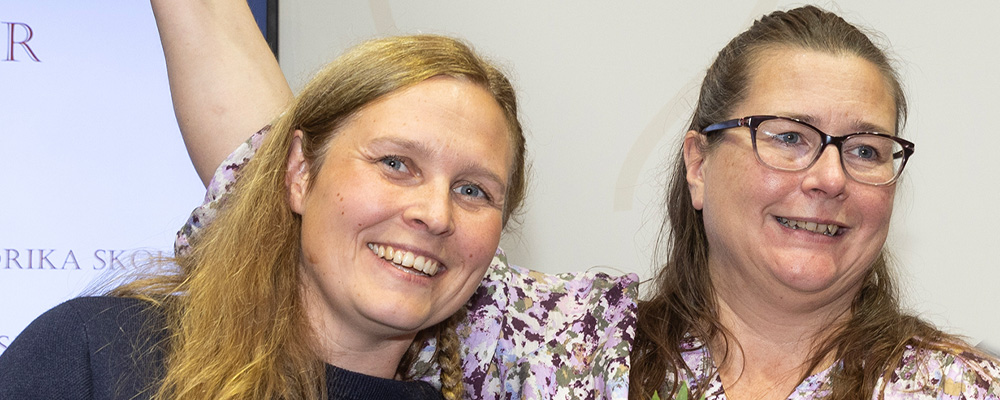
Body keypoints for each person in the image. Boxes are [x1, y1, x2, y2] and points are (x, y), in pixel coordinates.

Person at [0, 1, 636, 399]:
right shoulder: (99, 355)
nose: (435, 213)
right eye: (396, 164)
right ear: (299, 172)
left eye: (473, 190)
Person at [628, 6, 1000, 399]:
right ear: (699, 166)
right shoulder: (593, 353)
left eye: (865, 151)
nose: (831, 179)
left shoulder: (964, 390)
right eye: (789, 137)